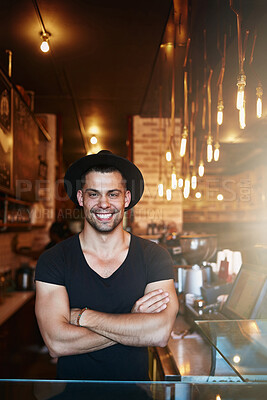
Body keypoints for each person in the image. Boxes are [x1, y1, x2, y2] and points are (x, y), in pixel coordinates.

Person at [35, 150, 178, 381]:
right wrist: (133, 321)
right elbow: (56, 343)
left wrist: (83, 317)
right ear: (81, 198)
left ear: (126, 199)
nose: (104, 204)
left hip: (135, 394)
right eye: (94, 194)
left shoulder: (154, 256)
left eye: (113, 194)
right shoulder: (54, 260)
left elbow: (159, 333)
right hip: (74, 396)